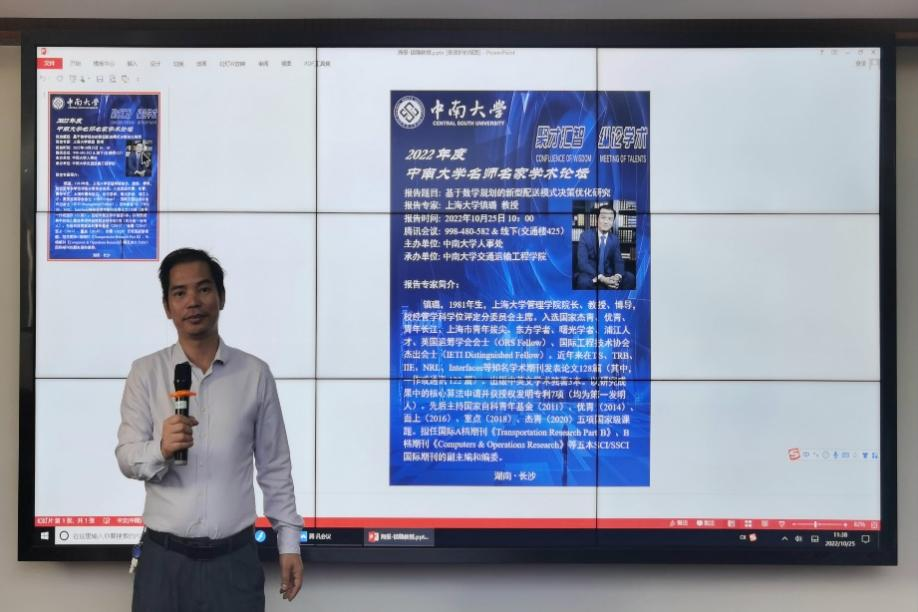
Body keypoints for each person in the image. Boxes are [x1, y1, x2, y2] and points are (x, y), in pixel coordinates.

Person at [116, 248, 303, 611]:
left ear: (221, 297)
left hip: (234, 562)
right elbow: (126, 457)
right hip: (164, 563)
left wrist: (289, 544)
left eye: (203, 289)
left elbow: (275, 467)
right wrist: (160, 449)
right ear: (167, 307)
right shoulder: (145, 372)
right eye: (179, 293)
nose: (193, 302)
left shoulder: (255, 374)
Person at [574, 204, 635, 290]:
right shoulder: (585, 236)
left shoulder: (614, 239)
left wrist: (617, 277)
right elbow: (582, 263)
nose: (606, 222)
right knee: (583, 281)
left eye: (610, 219)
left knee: (630, 277)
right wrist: (602, 278)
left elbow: (618, 261)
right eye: (603, 218)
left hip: (609, 274)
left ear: (613, 222)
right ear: (597, 219)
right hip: (591, 273)